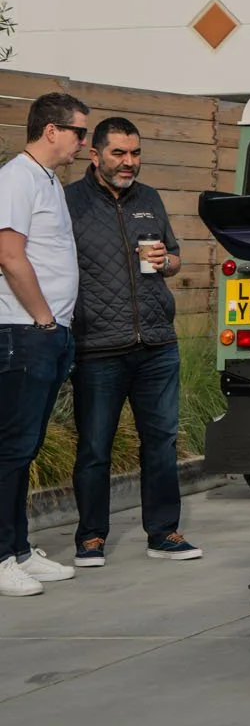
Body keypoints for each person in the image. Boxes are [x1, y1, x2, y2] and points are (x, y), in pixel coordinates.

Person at [66, 117, 202, 565]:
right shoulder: (69, 203)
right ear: (95, 155)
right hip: (98, 347)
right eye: (119, 153)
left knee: (160, 443)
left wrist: (168, 262)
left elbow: (176, 257)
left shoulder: (151, 199)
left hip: (157, 344)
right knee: (94, 447)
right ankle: (90, 537)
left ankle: (163, 533)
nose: (129, 162)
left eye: (136, 153)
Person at [0, 92, 89, 597]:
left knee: (26, 446)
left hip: (48, 333)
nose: (83, 141)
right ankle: (1, 556)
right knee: (12, 448)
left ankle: (17, 548)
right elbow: (10, 255)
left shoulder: (49, 181)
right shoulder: (16, 178)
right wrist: (42, 319)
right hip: (23, 331)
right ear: (51, 130)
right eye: (78, 131)